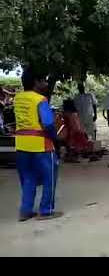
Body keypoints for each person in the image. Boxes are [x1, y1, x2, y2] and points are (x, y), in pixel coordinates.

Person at [14, 69, 62, 221]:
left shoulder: (17, 98)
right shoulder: (40, 100)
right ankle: (46, 210)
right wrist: (56, 140)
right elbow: (48, 124)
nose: (46, 84)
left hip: (21, 144)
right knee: (49, 177)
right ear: (36, 82)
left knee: (28, 178)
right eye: (43, 80)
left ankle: (25, 210)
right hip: (41, 144)